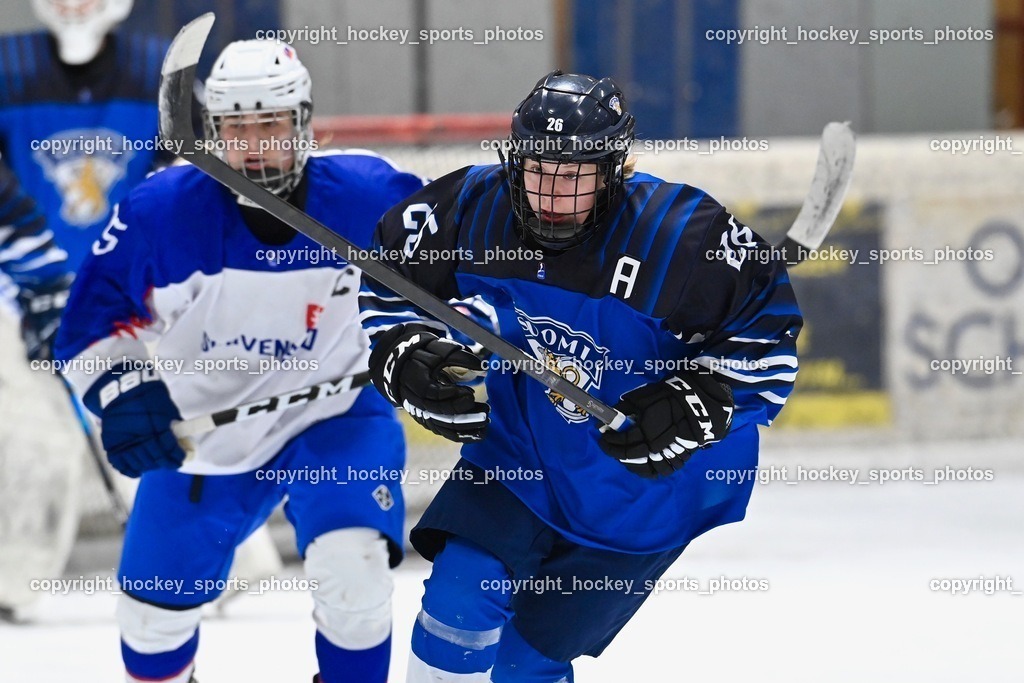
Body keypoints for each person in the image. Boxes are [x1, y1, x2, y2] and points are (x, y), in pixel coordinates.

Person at [358, 71, 803, 682]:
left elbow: (768, 343)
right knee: (458, 599)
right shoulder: (468, 211)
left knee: (521, 667)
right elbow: (388, 286)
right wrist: (404, 358)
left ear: (614, 168)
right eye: (539, 170)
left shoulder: (679, 237)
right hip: (521, 461)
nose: (552, 194)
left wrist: (697, 402)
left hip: (644, 498)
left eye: (575, 175)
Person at [55, 40, 426, 683]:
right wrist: (120, 395)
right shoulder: (159, 215)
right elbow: (87, 326)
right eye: (235, 127)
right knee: (148, 626)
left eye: (271, 124)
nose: (253, 145)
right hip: (206, 433)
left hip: (336, 415)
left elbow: (457, 275)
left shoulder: (374, 196)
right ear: (213, 132)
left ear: (304, 121)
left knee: (356, 577)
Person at [0, 0, 177, 274]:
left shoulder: (160, 70)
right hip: (23, 287)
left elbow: (186, 177)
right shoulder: (8, 67)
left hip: (128, 286)